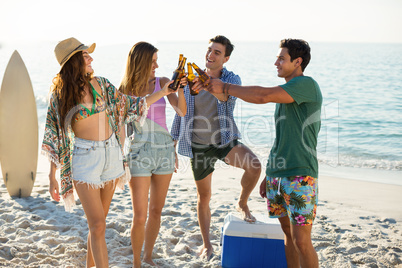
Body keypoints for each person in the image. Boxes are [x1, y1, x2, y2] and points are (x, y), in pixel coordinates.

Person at [41, 37, 175, 268]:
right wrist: (52, 175)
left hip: (111, 155)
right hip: (85, 159)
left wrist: (163, 92)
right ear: (73, 61)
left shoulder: (101, 84)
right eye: (85, 56)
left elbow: (132, 105)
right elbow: (56, 137)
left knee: (100, 224)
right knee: (97, 224)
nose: (91, 58)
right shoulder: (60, 96)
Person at [206, 38, 322, 267]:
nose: (276, 62)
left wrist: (226, 88)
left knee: (302, 242)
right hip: (278, 175)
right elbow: (282, 138)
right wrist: (270, 173)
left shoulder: (306, 85)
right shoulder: (287, 92)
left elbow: (262, 96)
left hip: (301, 175)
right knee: (287, 236)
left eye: (282, 58)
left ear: (298, 62)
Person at [171, 35, 261, 260]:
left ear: (226, 58)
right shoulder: (190, 78)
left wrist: (207, 85)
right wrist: (172, 146)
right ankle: (206, 245)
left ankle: (242, 203)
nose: (210, 55)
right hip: (198, 146)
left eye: (217, 52)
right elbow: (180, 114)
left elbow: (226, 99)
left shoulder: (232, 79)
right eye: (209, 50)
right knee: (204, 197)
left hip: (224, 141)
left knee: (255, 166)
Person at [119, 42, 187, 268]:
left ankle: (147, 256)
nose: (157, 65)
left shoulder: (163, 81)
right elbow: (126, 119)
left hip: (164, 150)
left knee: (156, 211)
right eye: (153, 60)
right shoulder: (124, 90)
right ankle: (137, 262)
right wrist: (121, 156)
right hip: (138, 151)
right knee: (139, 215)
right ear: (141, 61)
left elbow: (181, 111)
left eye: (157, 60)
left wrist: (181, 90)